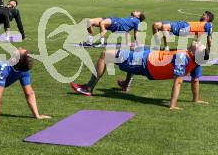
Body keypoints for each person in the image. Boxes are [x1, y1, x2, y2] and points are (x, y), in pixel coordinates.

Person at [69, 42, 208, 110]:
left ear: (195, 52)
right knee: (134, 46)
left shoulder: (183, 57)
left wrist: (172, 105)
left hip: (144, 62)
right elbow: (195, 81)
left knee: (106, 54)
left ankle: (88, 87)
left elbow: (178, 82)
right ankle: (125, 84)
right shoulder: (196, 62)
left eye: (199, 45)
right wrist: (196, 100)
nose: (198, 42)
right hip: (149, 57)